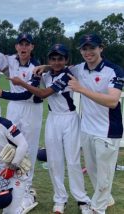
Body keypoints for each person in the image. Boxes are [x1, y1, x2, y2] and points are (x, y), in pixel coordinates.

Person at [35, 33, 123, 213]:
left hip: (107, 130)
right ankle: (105, 199)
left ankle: (97, 209)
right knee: (92, 171)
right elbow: (59, 66)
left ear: (101, 48)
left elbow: (113, 101)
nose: (88, 52)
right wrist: (44, 66)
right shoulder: (79, 68)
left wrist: (81, 89)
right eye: (85, 48)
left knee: (104, 175)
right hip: (87, 129)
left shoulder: (114, 71)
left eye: (92, 47)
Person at [9, 44, 91, 213]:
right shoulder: (46, 74)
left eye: (60, 58)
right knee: (54, 161)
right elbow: (43, 81)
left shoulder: (67, 75)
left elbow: (43, 93)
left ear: (66, 60)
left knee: (73, 160)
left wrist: (22, 83)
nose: (56, 62)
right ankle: (60, 199)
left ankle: (82, 199)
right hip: (53, 119)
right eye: (52, 59)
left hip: (69, 119)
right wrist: (43, 68)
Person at [0, 33, 42, 212]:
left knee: (29, 148)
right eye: (21, 44)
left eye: (27, 44)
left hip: (31, 108)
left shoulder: (37, 66)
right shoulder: (9, 60)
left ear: (32, 47)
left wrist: (1, 93)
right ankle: (11, 184)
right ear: (16, 47)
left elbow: (27, 94)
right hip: (14, 108)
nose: (24, 48)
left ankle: (26, 191)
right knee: (11, 146)